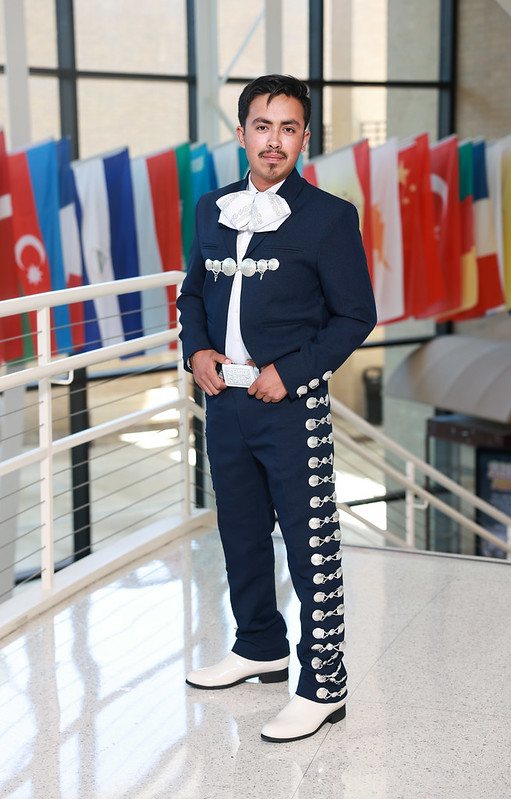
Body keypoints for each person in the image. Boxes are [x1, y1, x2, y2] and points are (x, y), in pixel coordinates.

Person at [177, 74, 376, 743]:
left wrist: (288, 373)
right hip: (223, 402)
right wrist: (196, 350)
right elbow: (192, 294)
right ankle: (259, 645)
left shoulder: (329, 217)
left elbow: (356, 315)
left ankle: (324, 684)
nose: (274, 140)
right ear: (241, 134)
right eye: (262, 126)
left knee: (309, 542)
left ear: (303, 138)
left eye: (287, 128)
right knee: (239, 532)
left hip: (291, 406)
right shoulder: (211, 207)